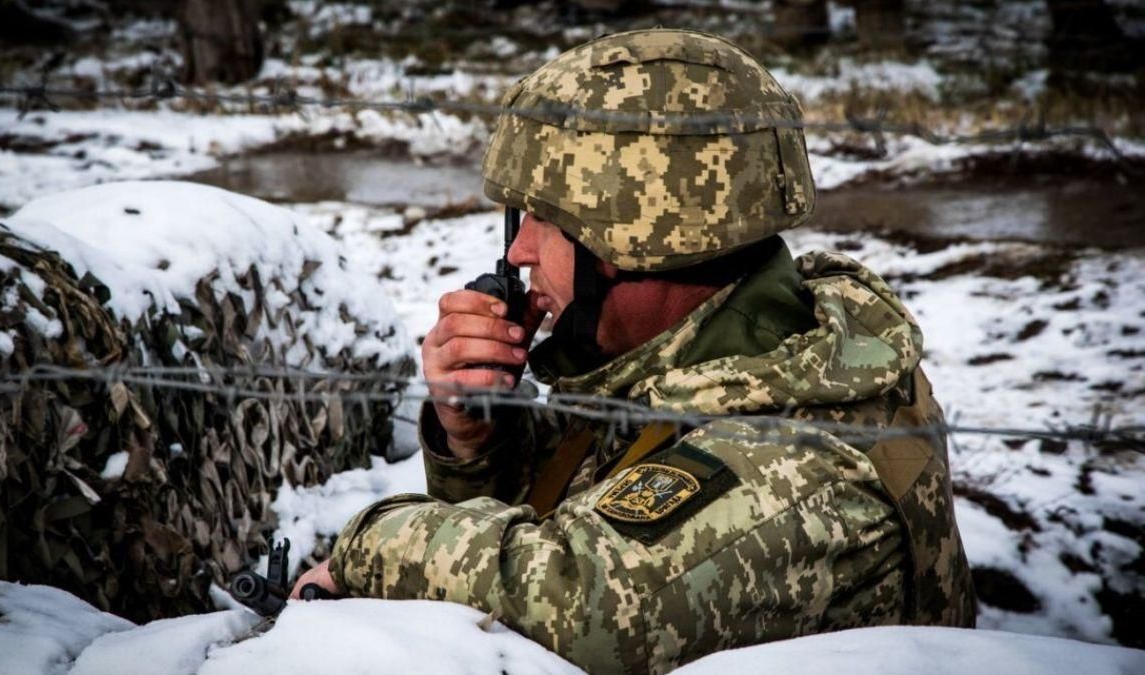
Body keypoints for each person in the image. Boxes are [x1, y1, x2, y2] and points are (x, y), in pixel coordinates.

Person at [293, 28, 975, 673]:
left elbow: (580, 602)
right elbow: (568, 506)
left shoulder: (795, 463)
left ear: (636, 243)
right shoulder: (706, 356)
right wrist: (476, 436)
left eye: (545, 221)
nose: (518, 251)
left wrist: (367, 548)